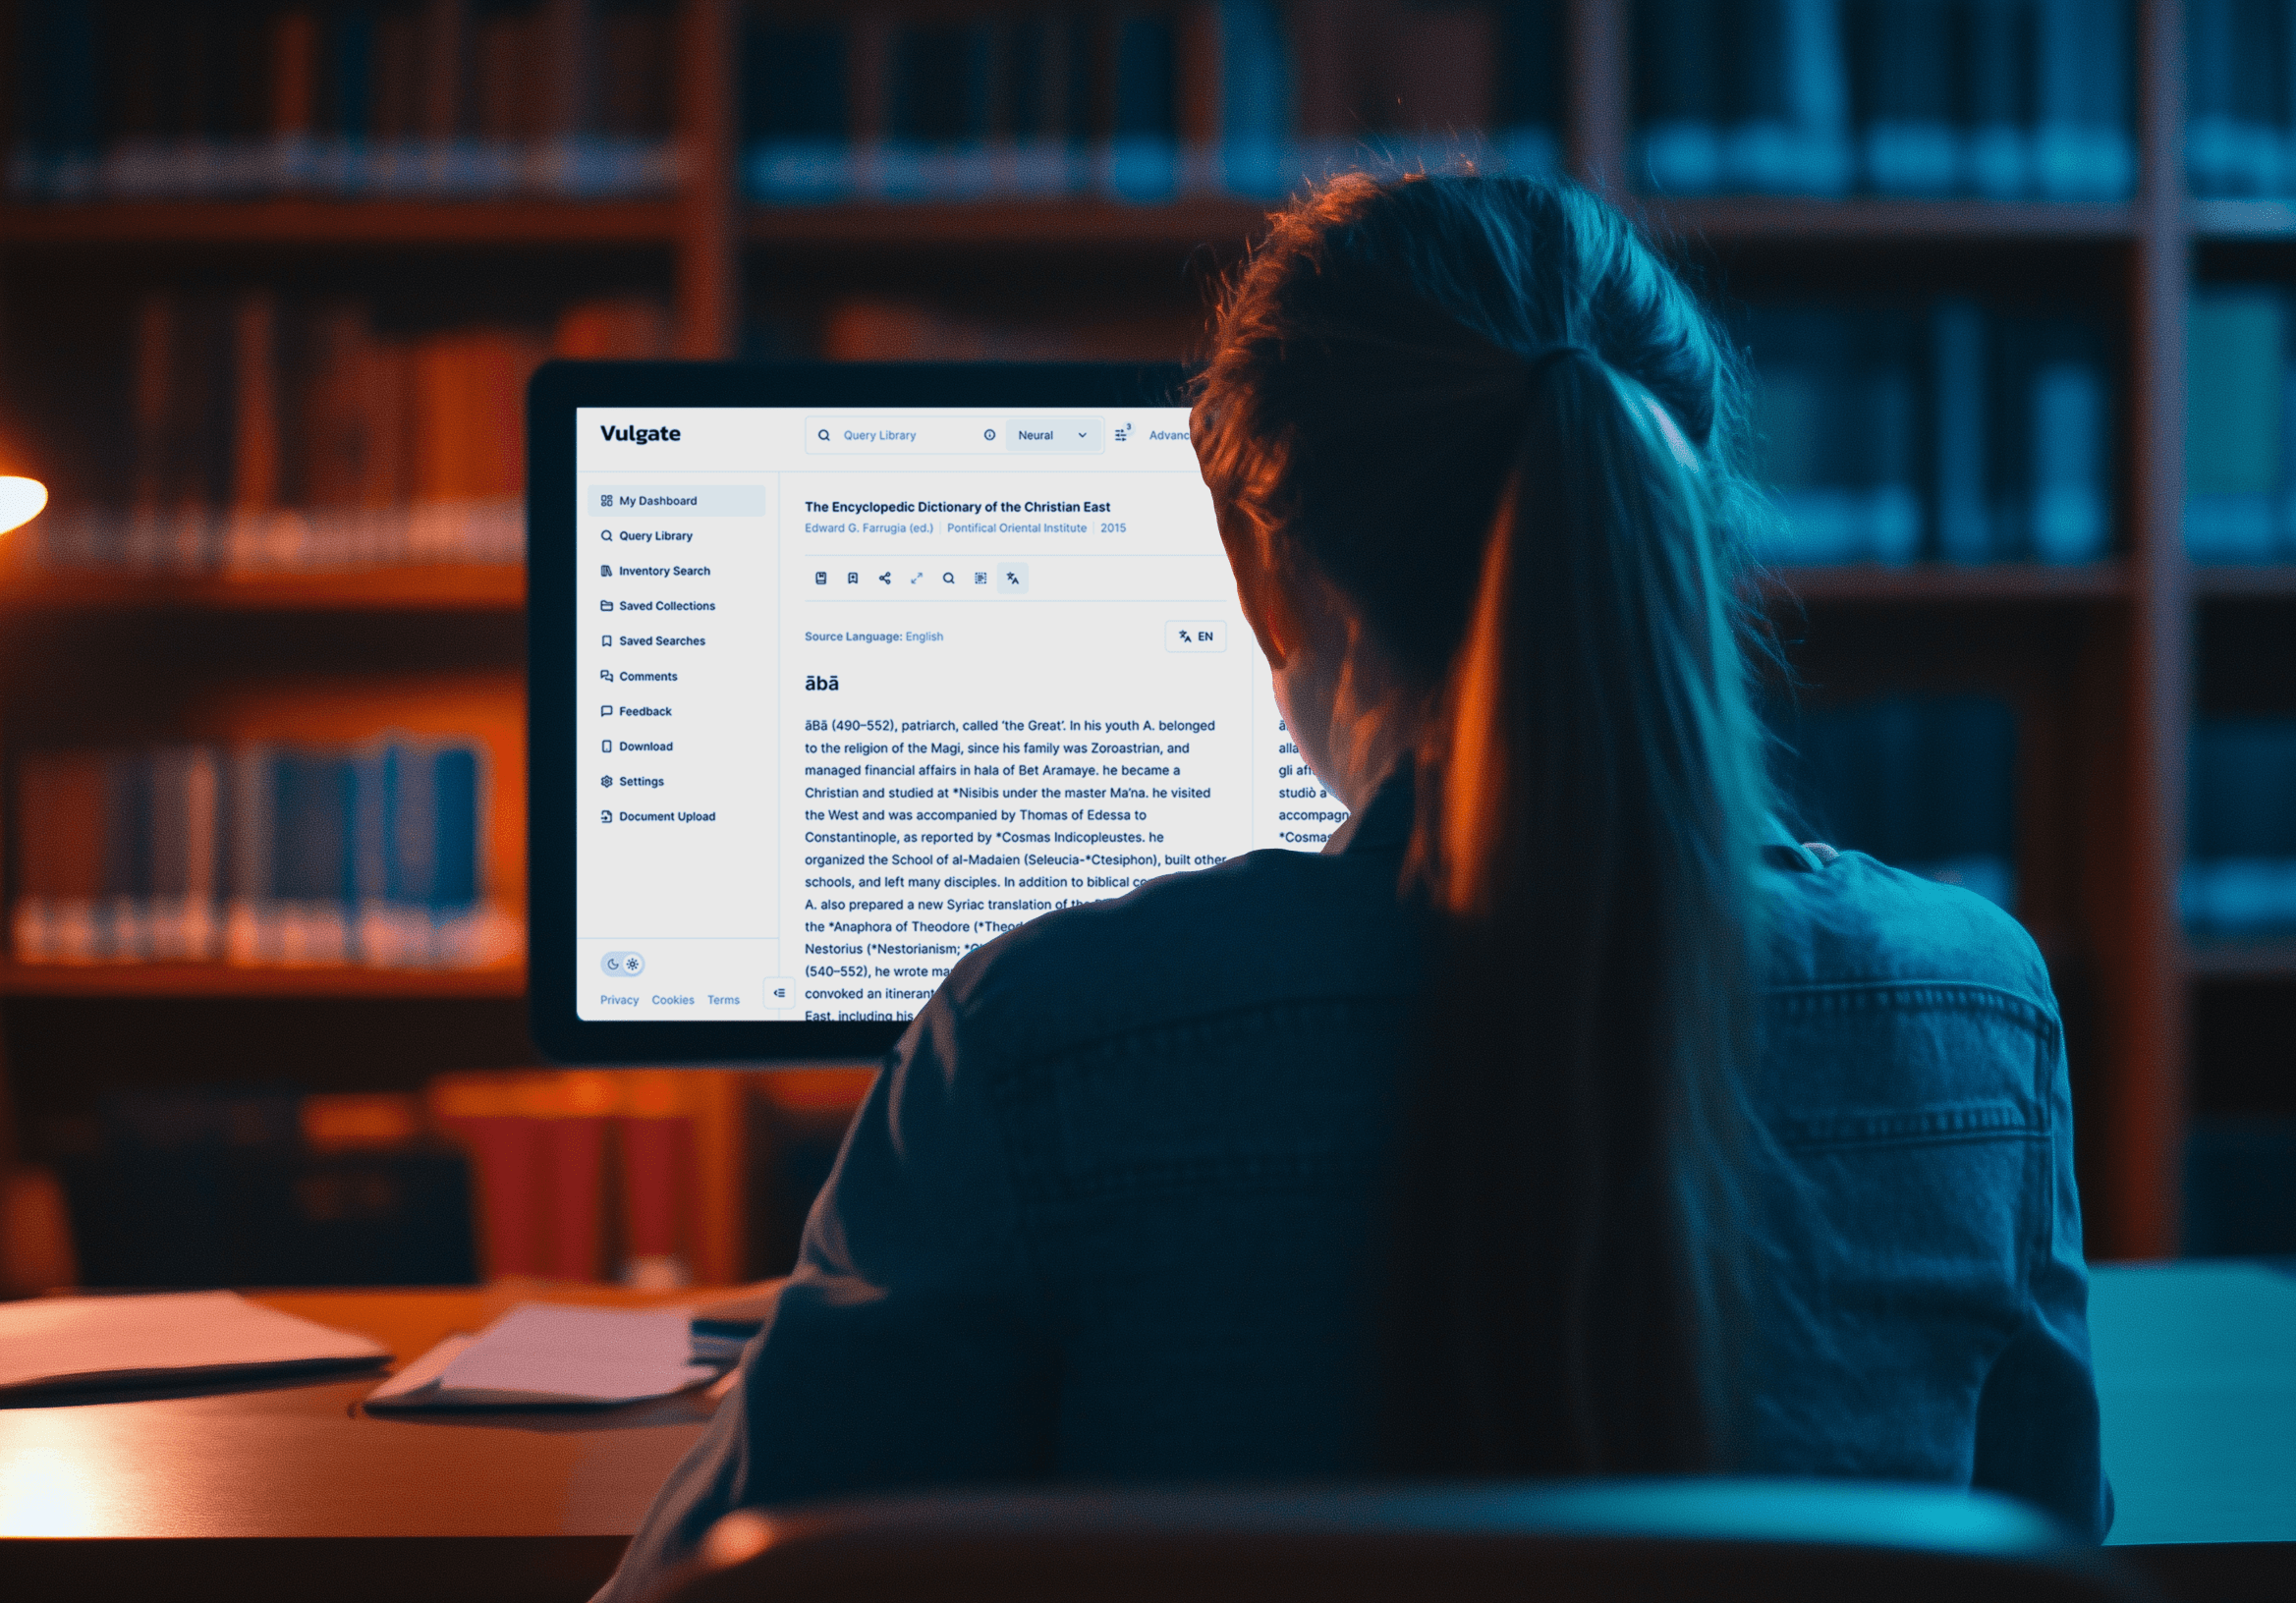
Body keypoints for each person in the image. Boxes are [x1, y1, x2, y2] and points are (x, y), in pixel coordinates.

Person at [592, 171, 2107, 1602]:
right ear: (1677, 535)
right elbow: (2043, 1533)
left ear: (1263, 567)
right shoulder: (1976, 1009)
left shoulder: (1034, 1046)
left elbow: (706, 1585)